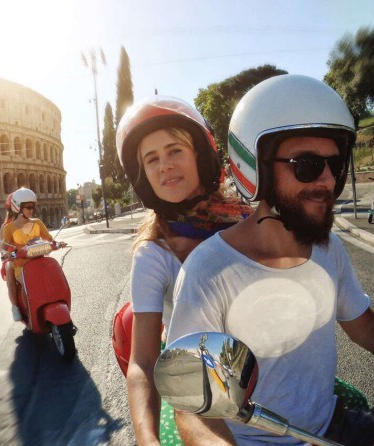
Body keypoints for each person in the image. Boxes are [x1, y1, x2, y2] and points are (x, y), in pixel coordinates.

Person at [166, 75, 374, 446]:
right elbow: (190, 406)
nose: (326, 180)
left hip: (331, 427)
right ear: (257, 169)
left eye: (335, 164)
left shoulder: (328, 249)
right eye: (306, 165)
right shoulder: (209, 271)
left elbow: (365, 326)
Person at [115, 95, 253, 445]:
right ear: (142, 176)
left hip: (270, 371)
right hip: (199, 389)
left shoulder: (249, 223)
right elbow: (143, 361)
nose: (164, 165)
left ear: (201, 156)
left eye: (174, 150)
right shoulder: (154, 253)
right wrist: (147, 438)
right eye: (151, 159)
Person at [0, 187, 64, 321]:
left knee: (54, 277)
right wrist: (6, 253)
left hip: (40, 260)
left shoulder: (37, 223)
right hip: (21, 265)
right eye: (28, 207)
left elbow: (50, 239)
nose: (31, 210)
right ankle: (30, 315)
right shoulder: (8, 228)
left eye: (33, 207)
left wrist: (58, 243)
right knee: (27, 284)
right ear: (18, 207)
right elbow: (3, 248)